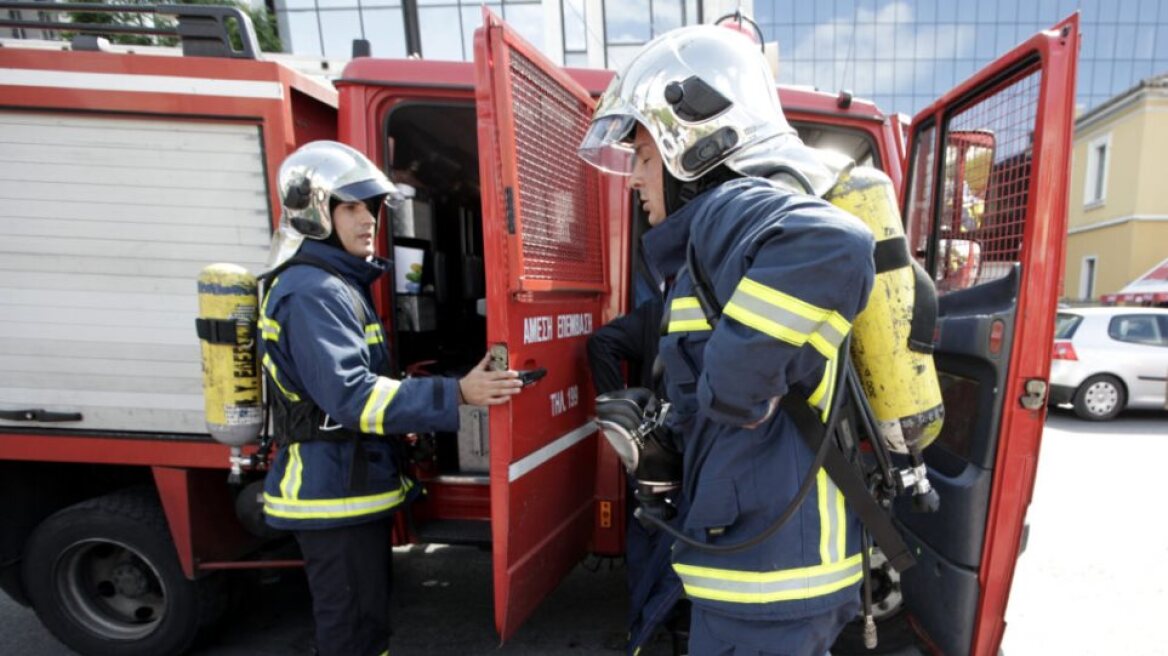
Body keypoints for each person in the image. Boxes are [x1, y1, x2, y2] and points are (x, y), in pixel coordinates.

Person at [580, 26, 876, 656]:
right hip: (768, 576)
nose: (633, 179)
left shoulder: (727, 208)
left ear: (691, 142)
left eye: (642, 156)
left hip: (768, 586)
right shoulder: (710, 243)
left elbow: (834, 245)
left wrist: (731, 393)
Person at [258, 141, 522, 656]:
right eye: (351, 207)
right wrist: (457, 394)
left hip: (345, 489)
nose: (368, 220)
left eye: (371, 207)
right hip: (332, 494)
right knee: (352, 634)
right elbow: (352, 398)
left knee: (364, 627)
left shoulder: (333, 283)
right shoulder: (314, 290)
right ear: (315, 214)